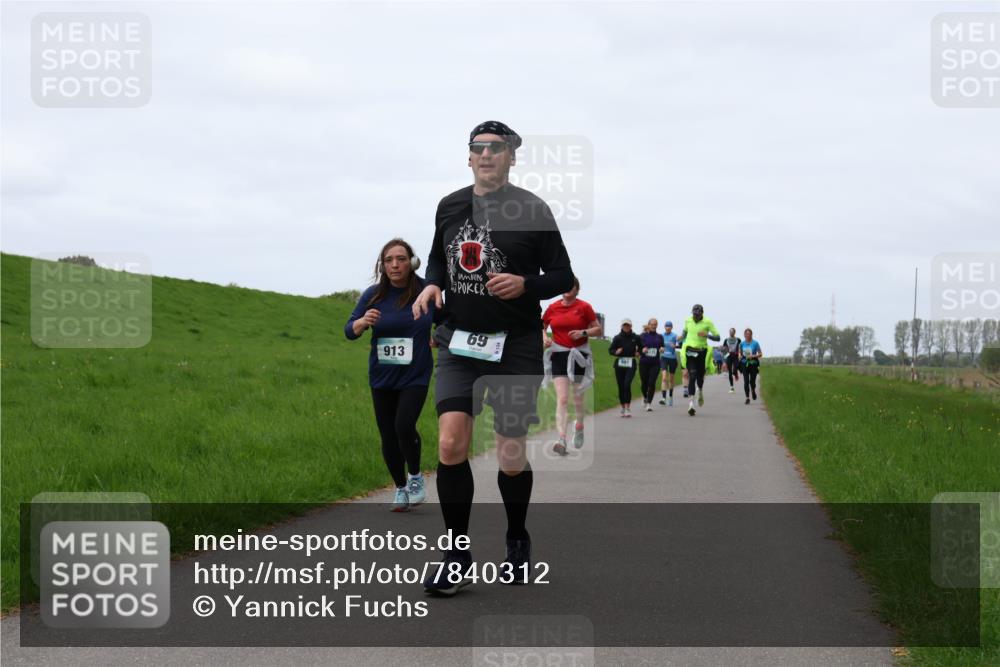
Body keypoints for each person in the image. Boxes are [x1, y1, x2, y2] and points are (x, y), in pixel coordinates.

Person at [413, 120, 575, 596]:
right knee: (449, 444)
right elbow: (439, 258)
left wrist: (527, 284)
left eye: (496, 148)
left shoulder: (533, 209)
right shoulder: (449, 205)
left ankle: (517, 536)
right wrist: (432, 282)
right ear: (468, 157)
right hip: (459, 342)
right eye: (478, 148)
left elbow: (564, 275)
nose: (486, 155)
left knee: (509, 452)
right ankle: (456, 553)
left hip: (516, 344)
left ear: (511, 157)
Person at [345, 238, 434, 512]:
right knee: (387, 434)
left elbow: (449, 321)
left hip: (415, 374)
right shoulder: (373, 295)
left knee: (403, 426)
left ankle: (416, 477)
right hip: (382, 376)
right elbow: (349, 331)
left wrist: (441, 336)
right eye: (389, 260)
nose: (395, 265)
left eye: (401, 259)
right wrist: (361, 323)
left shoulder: (425, 291)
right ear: (382, 265)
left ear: (412, 262)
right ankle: (400, 489)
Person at [542, 277, 602, 455]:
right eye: (565, 285)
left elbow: (597, 329)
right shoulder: (553, 307)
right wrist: (544, 338)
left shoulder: (584, 307)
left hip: (578, 356)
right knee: (561, 399)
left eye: (572, 286)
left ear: (577, 290)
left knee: (577, 399)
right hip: (559, 354)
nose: (568, 289)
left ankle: (580, 426)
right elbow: (541, 326)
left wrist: (583, 332)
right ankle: (561, 439)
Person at [677, 304, 720, 416]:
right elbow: (685, 332)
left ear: (702, 313)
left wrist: (707, 335)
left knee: (700, 377)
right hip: (690, 350)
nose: (695, 317)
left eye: (697, 315)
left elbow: (718, 337)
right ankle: (691, 404)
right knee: (692, 375)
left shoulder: (708, 322)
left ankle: (700, 390)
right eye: (694, 314)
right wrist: (680, 337)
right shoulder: (688, 320)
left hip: (702, 351)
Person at [609, 319, 641, 417]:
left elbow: (642, 347)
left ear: (631, 326)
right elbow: (610, 350)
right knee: (621, 386)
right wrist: (616, 352)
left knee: (627, 385)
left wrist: (638, 352)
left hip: (631, 363)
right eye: (624, 325)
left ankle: (627, 408)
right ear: (622, 326)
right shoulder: (617, 338)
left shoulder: (636, 337)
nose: (626, 327)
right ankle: (622, 407)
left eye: (628, 325)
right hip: (620, 363)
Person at [638, 318, 663, 412]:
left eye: (655, 324)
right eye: (652, 324)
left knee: (652, 383)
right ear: (648, 325)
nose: (654, 326)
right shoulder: (642, 336)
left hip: (655, 363)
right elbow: (638, 349)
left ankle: (649, 403)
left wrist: (662, 349)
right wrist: (642, 350)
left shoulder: (659, 337)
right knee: (644, 383)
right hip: (644, 362)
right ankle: (645, 396)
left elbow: (662, 346)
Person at [658, 321, 679, 406]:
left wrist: (675, 346)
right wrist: (660, 349)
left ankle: (670, 396)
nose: (668, 327)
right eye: (666, 326)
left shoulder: (674, 336)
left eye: (669, 326)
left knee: (671, 379)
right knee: (664, 378)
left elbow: (679, 345)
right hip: (664, 358)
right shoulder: (661, 336)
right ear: (664, 327)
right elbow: (659, 346)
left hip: (673, 359)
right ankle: (663, 398)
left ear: (672, 327)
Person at [740, 328, 763, 404]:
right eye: (746, 334)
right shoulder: (742, 343)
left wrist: (753, 356)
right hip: (744, 363)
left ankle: (753, 390)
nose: (747, 335)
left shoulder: (755, 343)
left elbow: (760, 354)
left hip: (753, 364)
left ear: (751, 335)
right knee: (746, 381)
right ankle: (747, 398)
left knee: (752, 381)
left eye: (749, 334)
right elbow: (739, 353)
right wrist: (740, 356)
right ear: (744, 335)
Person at [722, 327, 741, 393]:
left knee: (735, 368)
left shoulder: (738, 340)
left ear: (734, 332)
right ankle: (731, 387)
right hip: (728, 356)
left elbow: (741, 347)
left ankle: (735, 374)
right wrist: (724, 361)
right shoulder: (726, 340)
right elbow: (724, 350)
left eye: (732, 331)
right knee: (730, 372)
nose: (731, 332)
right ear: (729, 332)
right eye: (730, 331)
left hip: (735, 356)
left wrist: (741, 354)